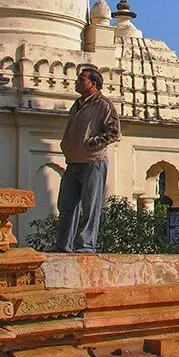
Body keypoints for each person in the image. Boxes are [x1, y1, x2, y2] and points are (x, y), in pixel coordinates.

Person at [56, 67, 120, 252]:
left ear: (94, 84)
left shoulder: (103, 105)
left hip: (93, 162)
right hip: (73, 161)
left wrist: (90, 144)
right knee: (66, 206)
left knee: (90, 207)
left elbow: (114, 132)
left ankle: (86, 245)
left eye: (81, 79)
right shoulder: (77, 104)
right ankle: (63, 245)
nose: (77, 82)